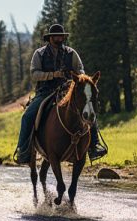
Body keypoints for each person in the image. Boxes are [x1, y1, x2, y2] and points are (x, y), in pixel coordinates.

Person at [14, 23, 106, 163]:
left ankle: (94, 146)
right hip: (46, 92)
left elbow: (80, 69)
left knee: (89, 111)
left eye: (60, 36)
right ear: (49, 38)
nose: (58, 38)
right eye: (55, 36)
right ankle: (24, 151)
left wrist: (78, 78)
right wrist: (53, 74)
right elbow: (34, 74)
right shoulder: (39, 54)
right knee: (27, 116)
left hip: (69, 90)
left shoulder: (71, 53)